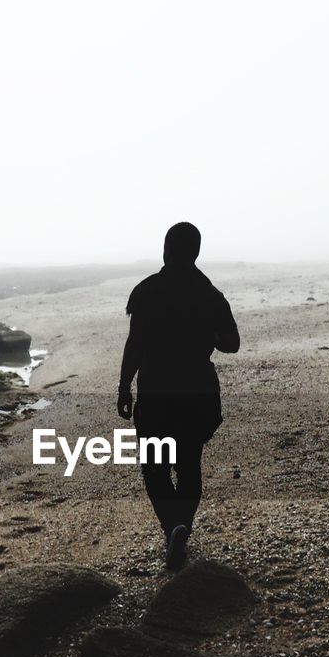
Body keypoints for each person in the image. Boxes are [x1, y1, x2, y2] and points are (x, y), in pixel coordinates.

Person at [118, 222, 239, 569]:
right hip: (198, 393)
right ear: (196, 253)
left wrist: (124, 387)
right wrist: (207, 335)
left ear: (166, 250)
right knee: (188, 465)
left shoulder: (147, 291)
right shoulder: (210, 295)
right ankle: (181, 523)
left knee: (154, 469)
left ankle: (172, 526)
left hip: (155, 393)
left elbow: (135, 344)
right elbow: (232, 343)